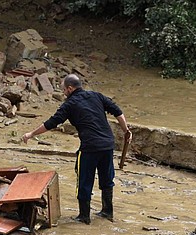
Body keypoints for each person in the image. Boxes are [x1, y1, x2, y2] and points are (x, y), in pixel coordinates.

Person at [21, 74, 132, 224]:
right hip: (107, 145)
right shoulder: (96, 96)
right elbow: (117, 111)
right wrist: (126, 131)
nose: (63, 93)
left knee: (84, 180)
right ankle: (107, 211)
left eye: (64, 90)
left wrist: (31, 134)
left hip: (89, 147)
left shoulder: (69, 104)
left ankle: (84, 216)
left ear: (70, 88)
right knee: (107, 178)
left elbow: (51, 123)